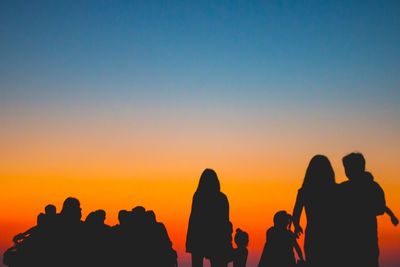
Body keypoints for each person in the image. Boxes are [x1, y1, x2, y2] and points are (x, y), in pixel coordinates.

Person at [338, 153, 387, 267]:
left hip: (363, 240)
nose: (346, 170)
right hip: (351, 241)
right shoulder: (373, 186)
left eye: (348, 167)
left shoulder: (344, 188)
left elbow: (380, 208)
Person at [292, 155, 336, 267]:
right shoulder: (335, 189)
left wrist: (297, 226)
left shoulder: (304, 191)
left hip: (313, 233)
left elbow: (296, 212)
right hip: (332, 233)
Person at [186, 169, 232, 267]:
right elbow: (225, 221)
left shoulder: (198, 196)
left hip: (199, 237)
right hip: (217, 239)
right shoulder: (222, 198)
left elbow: (194, 219)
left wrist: (191, 241)